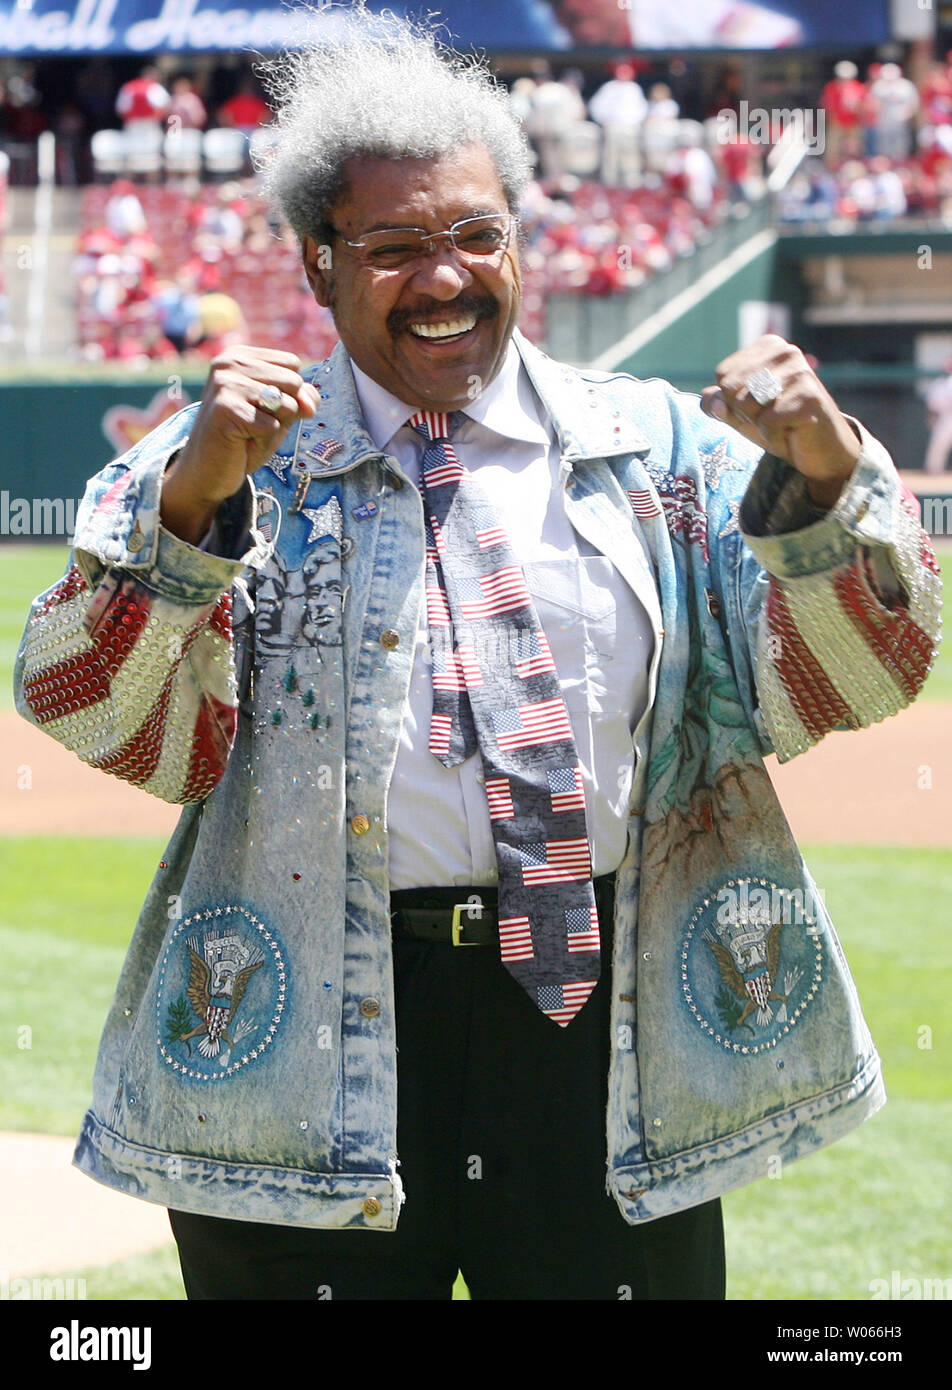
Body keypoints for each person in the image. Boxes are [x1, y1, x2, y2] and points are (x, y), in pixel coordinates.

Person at [14, 9, 941, 1301]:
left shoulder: (659, 452)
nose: (444, 277)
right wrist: (194, 510)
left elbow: (859, 670)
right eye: (395, 248)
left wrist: (830, 477)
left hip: (600, 1037)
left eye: (475, 235)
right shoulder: (231, 456)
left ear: (522, 241)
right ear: (317, 260)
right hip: (317, 1034)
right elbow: (89, 706)